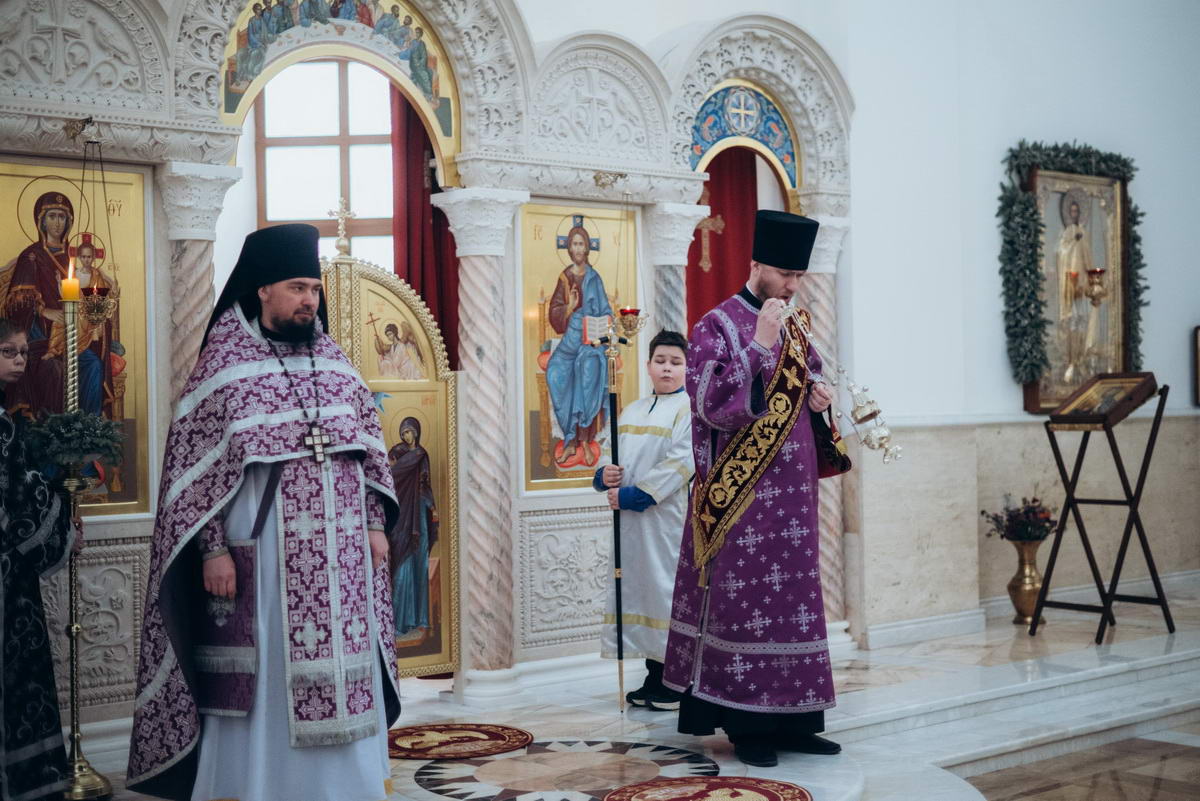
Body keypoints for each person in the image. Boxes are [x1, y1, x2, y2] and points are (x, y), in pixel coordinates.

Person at [126, 224, 401, 801]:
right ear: (263, 289)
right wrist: (212, 550)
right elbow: (193, 476)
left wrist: (375, 522)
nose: (309, 300)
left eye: (314, 290)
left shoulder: (334, 363)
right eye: (298, 288)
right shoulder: (223, 368)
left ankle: (346, 789)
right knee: (268, 676)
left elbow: (370, 449)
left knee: (346, 670)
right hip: (264, 563)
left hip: (343, 565)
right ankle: (260, 786)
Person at [662, 210, 841, 768]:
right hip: (741, 499)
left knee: (794, 604)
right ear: (757, 265)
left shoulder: (797, 326)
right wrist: (760, 345)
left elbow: (808, 381)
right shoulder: (714, 326)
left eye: (799, 276)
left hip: (794, 499)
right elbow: (710, 406)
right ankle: (749, 727)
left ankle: (796, 720)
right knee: (745, 607)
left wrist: (819, 399)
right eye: (786, 274)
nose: (792, 286)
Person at [0, 318, 83, 801]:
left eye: (23, 353)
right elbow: (20, 494)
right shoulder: (3, 427)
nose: (18, 361)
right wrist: (64, 520)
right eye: (7, 352)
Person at [594, 329, 693, 711]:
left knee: (665, 593)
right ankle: (655, 676)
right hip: (631, 525)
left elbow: (683, 462)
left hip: (666, 521)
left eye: (676, 362)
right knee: (639, 593)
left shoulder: (688, 410)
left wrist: (637, 495)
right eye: (660, 361)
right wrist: (604, 474)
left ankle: (676, 681)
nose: (667, 368)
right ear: (648, 365)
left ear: (687, 368)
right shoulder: (633, 409)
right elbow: (609, 450)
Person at [545, 225, 612, 469]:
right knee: (555, 372)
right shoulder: (564, 277)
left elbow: (606, 311)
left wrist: (602, 324)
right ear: (569, 248)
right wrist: (570, 307)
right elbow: (554, 314)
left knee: (587, 370)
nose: (577, 248)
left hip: (591, 341)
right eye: (574, 244)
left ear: (587, 247)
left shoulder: (595, 278)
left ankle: (583, 438)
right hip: (570, 339)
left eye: (581, 243)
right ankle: (569, 438)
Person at [388, 417, 438, 639]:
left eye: (409, 432)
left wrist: (432, 508)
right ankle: (399, 621)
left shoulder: (421, 455)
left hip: (418, 513)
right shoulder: (396, 453)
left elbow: (425, 485)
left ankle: (419, 619)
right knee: (401, 563)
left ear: (416, 432)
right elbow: (389, 477)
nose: (406, 436)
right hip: (401, 513)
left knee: (419, 563)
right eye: (403, 432)